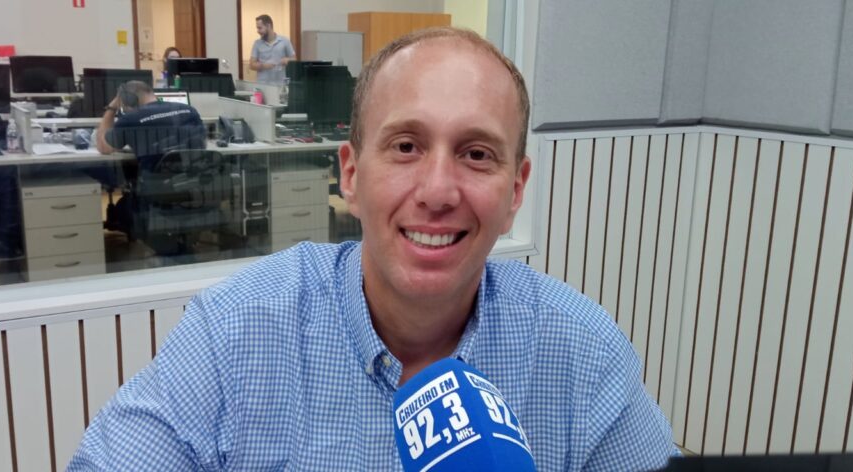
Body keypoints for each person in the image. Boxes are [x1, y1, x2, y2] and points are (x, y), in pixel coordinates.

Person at [69, 28, 678, 470]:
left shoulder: (580, 351)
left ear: (515, 190)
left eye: (476, 154)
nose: (438, 193)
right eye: (406, 146)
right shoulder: (236, 332)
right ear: (352, 175)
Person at [95, 80, 205, 171]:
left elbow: (103, 148)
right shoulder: (190, 110)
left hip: (156, 186)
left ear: (129, 99)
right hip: (194, 183)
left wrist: (112, 108)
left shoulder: (130, 119)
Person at [249, 13, 295, 85]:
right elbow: (251, 65)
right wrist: (264, 66)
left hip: (280, 85)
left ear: (268, 26)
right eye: (257, 28)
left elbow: (294, 59)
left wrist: (288, 60)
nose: (258, 31)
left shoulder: (285, 41)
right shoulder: (257, 43)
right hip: (263, 85)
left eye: (260, 28)